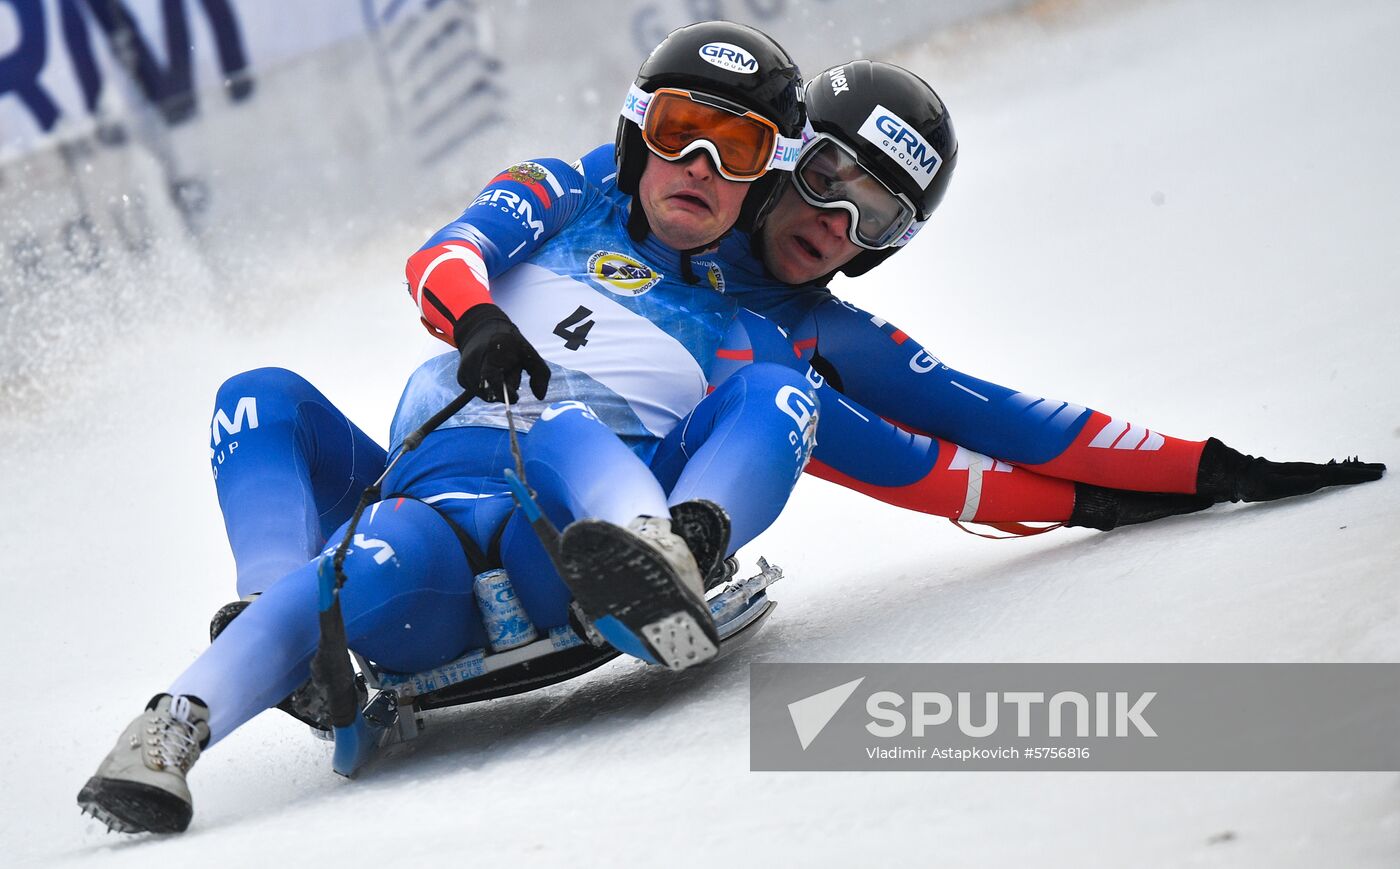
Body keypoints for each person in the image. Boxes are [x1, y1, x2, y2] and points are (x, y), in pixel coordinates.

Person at [78, 21, 817, 835]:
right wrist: (476, 321)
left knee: (750, 398)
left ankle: (665, 549)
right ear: (637, 134)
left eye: (735, 151)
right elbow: (443, 255)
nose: (699, 167)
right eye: (681, 134)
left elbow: (835, 430)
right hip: (420, 510)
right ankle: (194, 703)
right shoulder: (560, 193)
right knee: (263, 405)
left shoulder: (758, 313)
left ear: (767, 180)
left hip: (563, 530)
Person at [585, 59, 1384, 533]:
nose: (834, 222)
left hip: (630, 490)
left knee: (791, 399)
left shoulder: (821, 335)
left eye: (873, 213)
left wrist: (1213, 472)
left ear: (890, 245)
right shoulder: (649, 181)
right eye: (827, 178)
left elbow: (979, 419)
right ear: (781, 155)